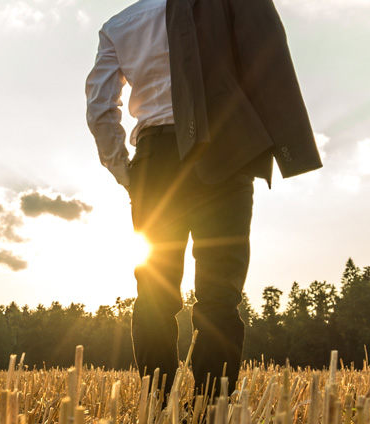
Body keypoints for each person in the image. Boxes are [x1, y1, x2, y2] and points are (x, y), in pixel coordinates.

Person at [85, 0, 321, 402]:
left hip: (155, 161)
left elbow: (99, 108)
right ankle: (212, 412)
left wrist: (126, 171)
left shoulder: (120, 24)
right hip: (223, 152)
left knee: (155, 292)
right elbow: (263, 61)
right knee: (219, 294)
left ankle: (157, 409)